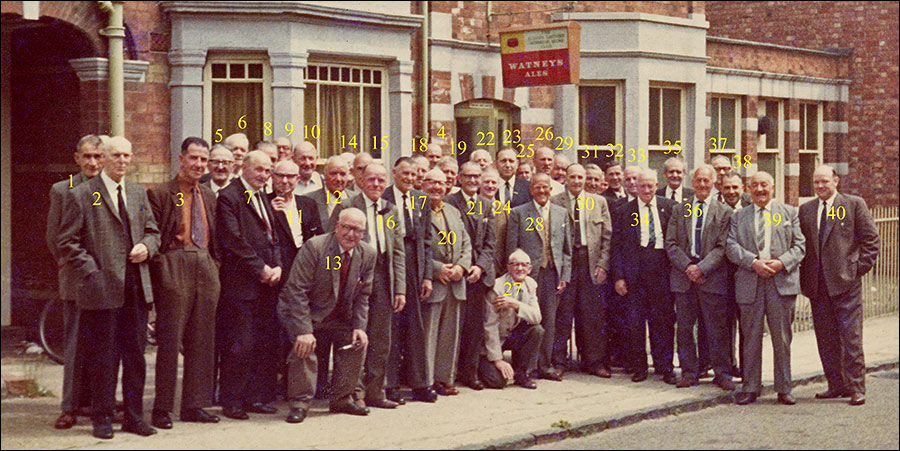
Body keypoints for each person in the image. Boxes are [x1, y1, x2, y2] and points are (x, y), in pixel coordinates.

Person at [57, 136, 161, 439]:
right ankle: (101, 418)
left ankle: (133, 417)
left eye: (127, 155)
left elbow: (154, 231)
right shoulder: (84, 194)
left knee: (135, 356)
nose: (122, 161)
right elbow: (68, 242)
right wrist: (93, 273)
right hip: (101, 290)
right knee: (104, 357)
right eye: (116, 155)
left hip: (136, 288)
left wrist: (146, 246)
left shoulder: (138, 192)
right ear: (103, 157)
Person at [146, 137, 221, 429]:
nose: (199, 165)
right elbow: (154, 235)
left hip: (205, 265)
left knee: (202, 340)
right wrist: (163, 269)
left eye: (204, 160)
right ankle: (162, 407)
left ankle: (194, 404)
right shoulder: (162, 193)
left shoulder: (209, 195)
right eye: (194, 158)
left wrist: (214, 266)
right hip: (174, 264)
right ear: (181, 159)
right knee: (169, 340)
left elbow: (215, 238)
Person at [277, 208, 375, 423]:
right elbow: (296, 291)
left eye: (357, 230)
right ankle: (300, 403)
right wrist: (303, 331)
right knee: (304, 345)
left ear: (364, 232)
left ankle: (341, 399)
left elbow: (363, 295)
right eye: (347, 228)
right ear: (337, 226)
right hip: (305, 312)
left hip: (339, 317)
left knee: (357, 341)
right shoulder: (316, 247)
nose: (351, 234)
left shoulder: (368, 253)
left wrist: (359, 327)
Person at [799, 165, 880, 406]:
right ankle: (836, 385)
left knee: (851, 338)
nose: (820, 186)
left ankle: (856, 387)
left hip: (846, 285)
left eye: (825, 181)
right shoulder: (806, 210)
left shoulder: (854, 204)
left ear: (836, 181)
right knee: (826, 339)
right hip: (817, 286)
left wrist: (855, 271)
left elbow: (871, 241)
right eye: (816, 182)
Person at [726, 171, 805, 406]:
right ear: (748, 189)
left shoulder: (789, 213)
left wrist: (781, 263)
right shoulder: (739, 217)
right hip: (751, 281)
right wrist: (753, 262)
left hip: (780, 284)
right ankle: (750, 387)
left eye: (764, 185)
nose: (760, 189)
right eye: (755, 185)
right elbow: (731, 246)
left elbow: (800, 245)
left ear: (773, 187)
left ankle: (784, 388)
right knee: (750, 337)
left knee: (782, 338)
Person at [215, 150, 283, 419]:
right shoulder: (229, 196)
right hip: (241, 286)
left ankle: (255, 397)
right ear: (243, 167)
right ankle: (232, 401)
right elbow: (233, 240)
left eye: (268, 171)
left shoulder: (262, 197)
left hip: (267, 284)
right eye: (259, 170)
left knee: (262, 343)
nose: (264, 175)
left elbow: (272, 236)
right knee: (240, 344)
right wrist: (261, 269)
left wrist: (277, 266)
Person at [332, 164, 406, 409]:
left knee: (381, 338)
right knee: (357, 334)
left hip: (384, 275)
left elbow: (398, 251)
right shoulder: (348, 206)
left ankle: (376, 391)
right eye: (371, 179)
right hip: (357, 275)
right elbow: (333, 243)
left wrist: (400, 289)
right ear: (361, 180)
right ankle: (356, 392)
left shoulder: (390, 209)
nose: (376, 184)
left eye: (381, 180)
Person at [46, 134, 105, 430]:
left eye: (97, 156)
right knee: (76, 344)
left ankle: (97, 402)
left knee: (104, 346)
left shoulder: (109, 188)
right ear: (77, 158)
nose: (93, 162)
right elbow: (55, 237)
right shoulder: (64, 189)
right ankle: (69, 406)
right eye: (87, 157)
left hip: (109, 282)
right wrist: (73, 265)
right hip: (79, 280)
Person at [664, 165, 735, 391]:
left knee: (717, 328)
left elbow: (722, 247)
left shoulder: (724, 212)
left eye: (707, 180)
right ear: (692, 183)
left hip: (711, 278)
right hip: (684, 278)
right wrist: (688, 267)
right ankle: (688, 372)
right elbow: (671, 243)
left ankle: (722, 373)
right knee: (684, 328)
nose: (702, 185)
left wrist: (702, 268)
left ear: (714, 183)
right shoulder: (680, 209)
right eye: (698, 181)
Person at [611, 169, 678, 385]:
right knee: (635, 323)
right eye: (642, 186)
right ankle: (639, 367)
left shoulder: (669, 208)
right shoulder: (624, 211)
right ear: (635, 187)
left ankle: (665, 367)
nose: (646, 190)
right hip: (634, 275)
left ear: (657, 185)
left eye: (650, 186)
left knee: (663, 323)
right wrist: (619, 277)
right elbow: (617, 248)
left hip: (662, 272)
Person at [507, 173, 571, 381]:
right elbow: (512, 247)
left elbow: (567, 250)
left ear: (551, 190)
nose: (542, 191)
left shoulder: (561, 213)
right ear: (531, 190)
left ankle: (544, 365)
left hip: (552, 273)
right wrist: (516, 275)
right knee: (525, 319)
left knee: (549, 321)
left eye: (545, 187)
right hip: (527, 276)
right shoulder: (519, 213)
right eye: (537, 187)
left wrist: (564, 276)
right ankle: (524, 367)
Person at [550, 163, 612, 378]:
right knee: (563, 314)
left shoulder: (598, 202)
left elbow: (607, 236)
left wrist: (603, 264)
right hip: (567, 262)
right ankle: (558, 361)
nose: (577, 181)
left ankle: (594, 362)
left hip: (590, 261)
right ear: (566, 178)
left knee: (592, 314)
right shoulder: (555, 201)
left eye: (580, 177)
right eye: (573, 177)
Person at [384, 157, 435, 403]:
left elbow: (427, 240)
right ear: (394, 173)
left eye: (413, 175)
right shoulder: (383, 198)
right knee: (391, 325)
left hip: (414, 264)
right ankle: (390, 384)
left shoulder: (421, 199)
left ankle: (420, 384)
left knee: (416, 327)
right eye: (404, 173)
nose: (409, 178)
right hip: (391, 263)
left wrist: (427, 276)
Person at [445, 162, 497, 391]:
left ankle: (471, 372)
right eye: (468, 177)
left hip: (479, 276)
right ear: (459, 178)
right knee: (455, 325)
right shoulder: (450, 202)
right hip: (458, 272)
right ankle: (450, 372)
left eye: (477, 177)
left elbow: (491, 243)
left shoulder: (487, 205)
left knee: (475, 327)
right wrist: (464, 267)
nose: (473, 181)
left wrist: (480, 268)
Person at [422, 169, 471, 396]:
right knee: (429, 335)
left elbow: (466, 243)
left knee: (450, 335)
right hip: (433, 282)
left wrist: (461, 266)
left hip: (455, 282)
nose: (436, 187)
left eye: (441, 184)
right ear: (423, 185)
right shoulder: (417, 211)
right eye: (431, 182)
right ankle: (427, 381)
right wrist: (436, 268)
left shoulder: (453, 211)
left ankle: (445, 379)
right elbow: (411, 247)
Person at [480, 249, 544, 390]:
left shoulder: (530, 284)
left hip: (512, 335)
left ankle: (523, 374)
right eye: (515, 264)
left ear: (529, 268)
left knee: (536, 330)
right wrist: (498, 361)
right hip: (494, 341)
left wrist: (516, 305)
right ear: (508, 267)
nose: (519, 268)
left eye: (524, 265)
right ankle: (481, 365)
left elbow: (537, 317)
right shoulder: (498, 287)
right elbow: (489, 326)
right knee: (498, 382)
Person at [268, 160, 324, 276]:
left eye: (290, 177)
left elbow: (319, 236)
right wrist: (270, 211)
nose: (284, 181)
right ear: (272, 177)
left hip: (303, 266)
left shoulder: (308, 204)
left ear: (297, 179)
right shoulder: (265, 202)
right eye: (280, 176)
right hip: (276, 268)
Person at [303, 156, 351, 233]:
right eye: (333, 174)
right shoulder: (308, 201)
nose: (338, 179)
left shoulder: (357, 198)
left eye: (342, 174)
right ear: (324, 175)